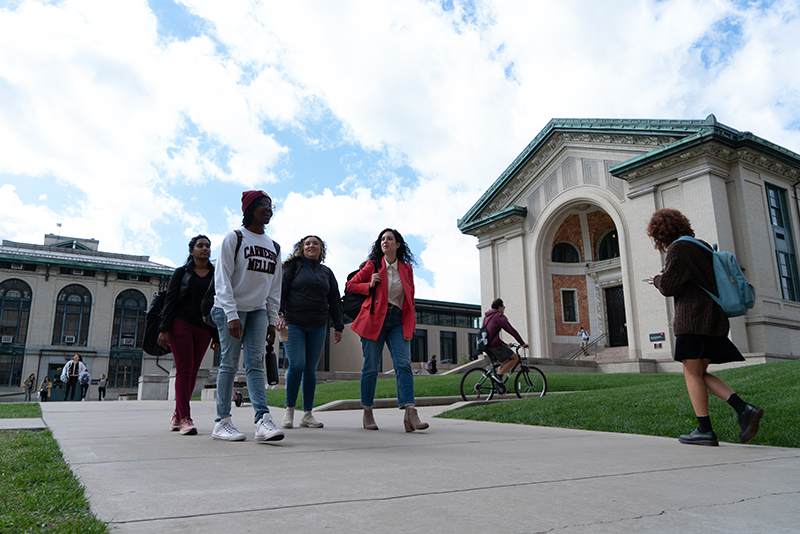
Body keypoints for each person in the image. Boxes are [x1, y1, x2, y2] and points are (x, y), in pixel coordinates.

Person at [647, 208, 764, 446]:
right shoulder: (703, 247)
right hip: (714, 319)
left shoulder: (679, 249)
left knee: (691, 373)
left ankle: (705, 430)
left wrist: (657, 279)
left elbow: (669, 286)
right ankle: (743, 409)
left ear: (661, 233)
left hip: (693, 320)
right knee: (699, 373)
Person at [210, 190, 284, 442]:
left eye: (271, 206)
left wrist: (272, 320)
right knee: (229, 364)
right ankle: (222, 422)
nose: (269, 209)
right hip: (229, 308)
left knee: (255, 364)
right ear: (250, 208)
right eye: (263, 205)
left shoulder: (274, 246)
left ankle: (262, 420)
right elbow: (221, 278)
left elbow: (275, 288)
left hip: (258, 311)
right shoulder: (235, 237)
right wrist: (231, 313)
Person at [346, 228, 428, 432]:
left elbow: (410, 299)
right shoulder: (372, 265)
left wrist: (411, 322)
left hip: (397, 320)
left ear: (398, 244)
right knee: (371, 367)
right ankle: (367, 413)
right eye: (382, 239)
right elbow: (351, 285)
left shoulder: (407, 269)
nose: (385, 241)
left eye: (389, 239)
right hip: (374, 319)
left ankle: (410, 412)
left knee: (404, 365)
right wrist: (369, 285)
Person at [277, 235, 344, 430]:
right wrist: (280, 315)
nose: (311, 246)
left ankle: (307, 414)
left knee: (310, 370)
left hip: (317, 326)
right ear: (302, 248)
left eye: (316, 243)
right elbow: (280, 291)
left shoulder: (326, 272)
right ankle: (289, 410)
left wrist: (338, 326)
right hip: (293, 323)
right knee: (297, 364)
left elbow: (334, 300)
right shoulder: (292, 267)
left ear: (321, 249)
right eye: (308, 243)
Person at [158, 234, 221, 435]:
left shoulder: (216, 275)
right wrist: (164, 328)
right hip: (180, 323)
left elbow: (217, 305)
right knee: (184, 371)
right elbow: (170, 301)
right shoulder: (181, 273)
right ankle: (186, 418)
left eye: (208, 246)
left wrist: (216, 335)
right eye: (200, 245)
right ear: (191, 250)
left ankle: (177, 414)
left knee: (193, 372)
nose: (205, 249)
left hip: (203, 326)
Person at [481, 298, 528, 394]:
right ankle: (498, 377)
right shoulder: (499, 316)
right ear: (500, 307)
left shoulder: (486, 317)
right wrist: (522, 343)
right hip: (495, 345)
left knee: (503, 363)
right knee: (515, 358)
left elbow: (490, 335)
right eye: (504, 307)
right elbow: (511, 330)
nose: (504, 309)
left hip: (486, 346)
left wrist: (505, 344)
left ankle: (500, 387)